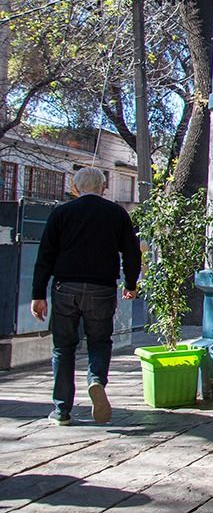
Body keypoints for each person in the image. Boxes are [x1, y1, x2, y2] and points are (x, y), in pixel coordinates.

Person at [30, 167, 142, 426]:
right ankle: (96, 380)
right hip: (101, 288)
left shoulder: (61, 213)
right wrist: (131, 283)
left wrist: (38, 294)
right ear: (103, 187)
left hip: (65, 287)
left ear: (75, 187)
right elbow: (131, 252)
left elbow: (45, 255)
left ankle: (61, 410)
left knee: (63, 347)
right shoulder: (117, 214)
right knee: (99, 341)